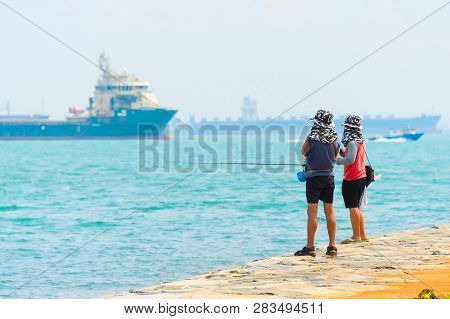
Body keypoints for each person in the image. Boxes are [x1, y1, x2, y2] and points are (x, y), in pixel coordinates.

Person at [295, 109, 340, 257]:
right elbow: (338, 154)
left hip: (313, 178)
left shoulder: (311, 137)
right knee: (329, 211)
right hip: (329, 177)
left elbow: (303, 151)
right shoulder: (335, 138)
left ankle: (310, 247)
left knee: (312, 211)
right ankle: (332, 246)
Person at [336, 115, 368, 243]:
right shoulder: (361, 141)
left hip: (352, 178)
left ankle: (356, 236)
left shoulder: (352, 142)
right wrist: (343, 153)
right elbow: (352, 156)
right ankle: (363, 235)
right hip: (361, 177)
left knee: (353, 207)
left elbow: (350, 160)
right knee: (358, 208)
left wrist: (337, 161)